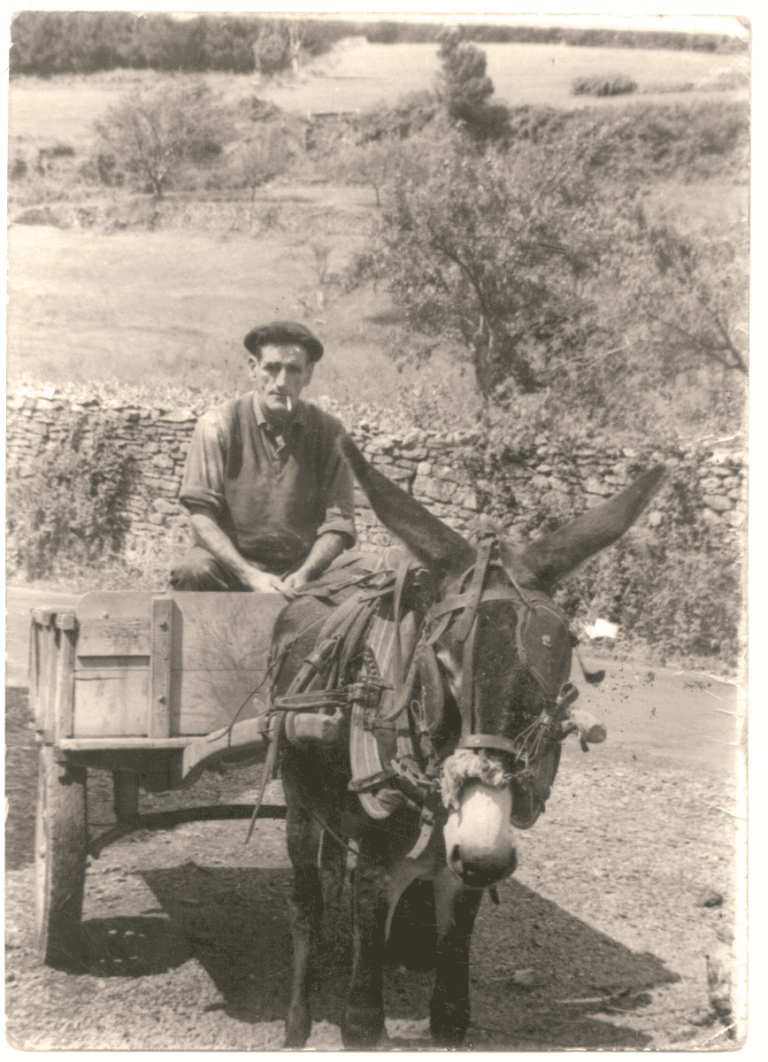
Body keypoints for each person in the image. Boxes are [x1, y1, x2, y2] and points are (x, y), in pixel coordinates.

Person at [170, 321, 356, 597]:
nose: (281, 382)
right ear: (253, 368)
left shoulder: (330, 433)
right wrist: (249, 575)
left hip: (304, 570)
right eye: (271, 368)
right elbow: (201, 516)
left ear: (308, 374)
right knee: (193, 570)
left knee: (368, 572)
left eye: (293, 369)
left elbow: (339, 524)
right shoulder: (218, 426)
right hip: (231, 568)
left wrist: (305, 573)